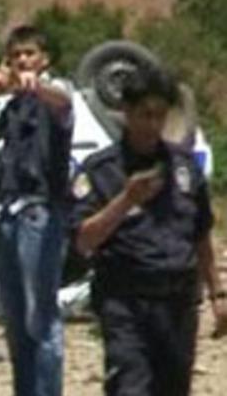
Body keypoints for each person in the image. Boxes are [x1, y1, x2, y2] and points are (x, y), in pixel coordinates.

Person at [71, 67, 227, 396]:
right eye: (144, 115)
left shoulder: (183, 168)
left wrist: (218, 293)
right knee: (131, 386)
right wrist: (126, 200)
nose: (152, 125)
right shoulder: (102, 170)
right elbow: (84, 240)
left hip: (177, 304)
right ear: (126, 113)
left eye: (159, 115)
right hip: (126, 303)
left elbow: (200, 235)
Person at [0, 25, 73, 396]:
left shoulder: (57, 96)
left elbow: (62, 105)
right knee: (14, 318)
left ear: (43, 59)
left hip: (39, 212)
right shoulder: (13, 108)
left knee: (41, 316)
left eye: (29, 54)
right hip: (7, 214)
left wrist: (34, 85)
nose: (22, 61)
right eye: (15, 56)